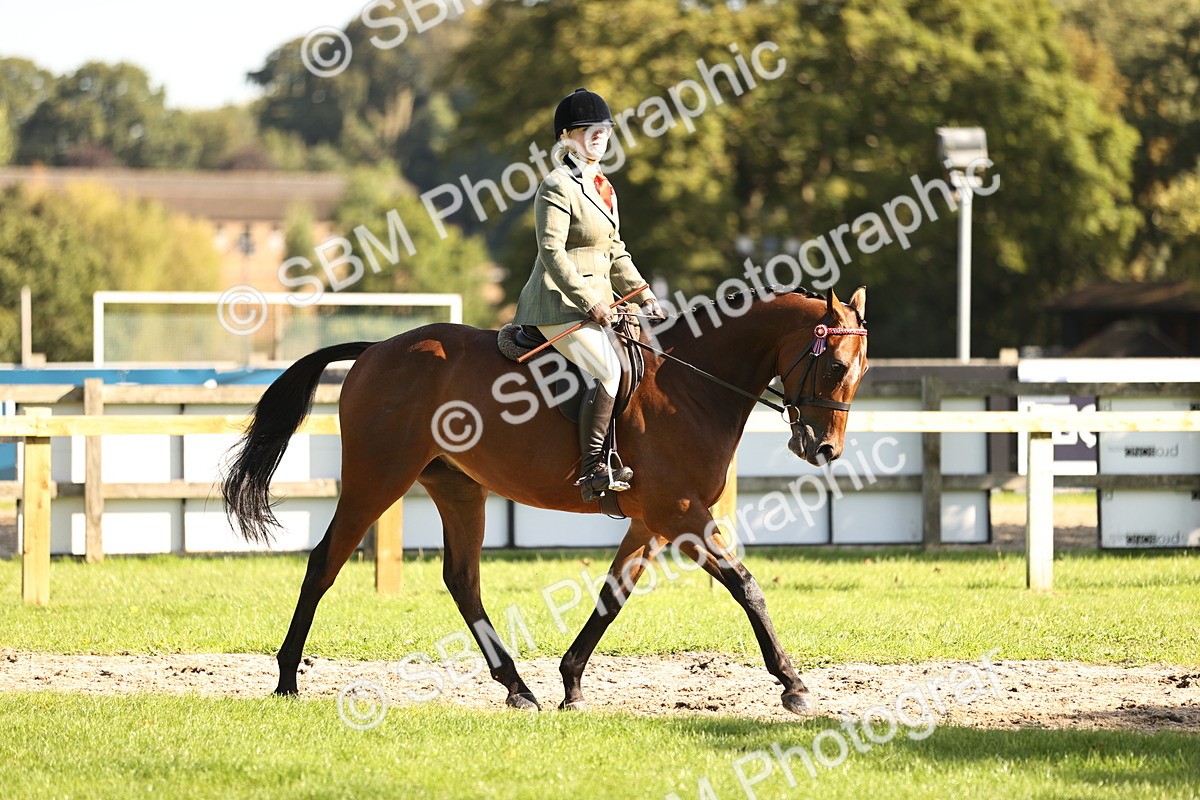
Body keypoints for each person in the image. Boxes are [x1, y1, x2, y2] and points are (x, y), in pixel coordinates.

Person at [512, 87, 666, 502]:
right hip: (556, 302)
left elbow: (614, 250)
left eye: (604, 128)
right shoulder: (556, 185)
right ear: (567, 136)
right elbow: (551, 252)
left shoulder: (605, 188)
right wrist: (590, 302)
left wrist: (641, 294)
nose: (600, 134)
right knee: (609, 371)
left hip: (600, 303)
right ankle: (594, 467)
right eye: (588, 129)